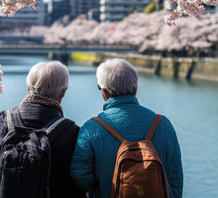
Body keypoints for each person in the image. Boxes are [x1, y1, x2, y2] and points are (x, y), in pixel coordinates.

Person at [70, 58, 183, 198]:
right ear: (135, 89)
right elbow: (176, 177)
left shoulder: (91, 129)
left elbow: (81, 176)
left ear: (104, 92)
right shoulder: (163, 124)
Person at [0, 61, 86, 198]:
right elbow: (74, 184)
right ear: (63, 92)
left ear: (28, 88)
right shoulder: (70, 131)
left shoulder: (0, 120)